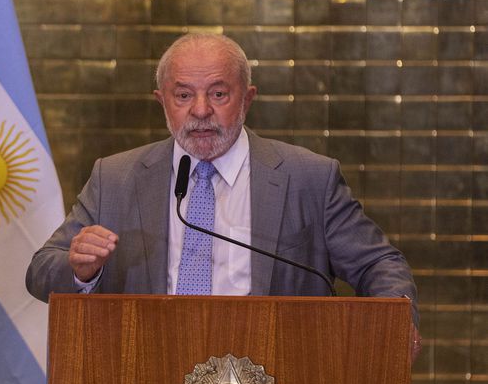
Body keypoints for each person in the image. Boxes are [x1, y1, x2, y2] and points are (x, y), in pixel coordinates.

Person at [26, 33, 420, 354]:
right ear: (162, 101)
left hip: (278, 381)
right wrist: (81, 270)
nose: (200, 111)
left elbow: (378, 265)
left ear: (247, 98)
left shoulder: (308, 178)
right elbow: (42, 270)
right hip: (146, 381)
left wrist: (396, 324)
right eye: (183, 96)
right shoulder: (115, 177)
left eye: (218, 94)